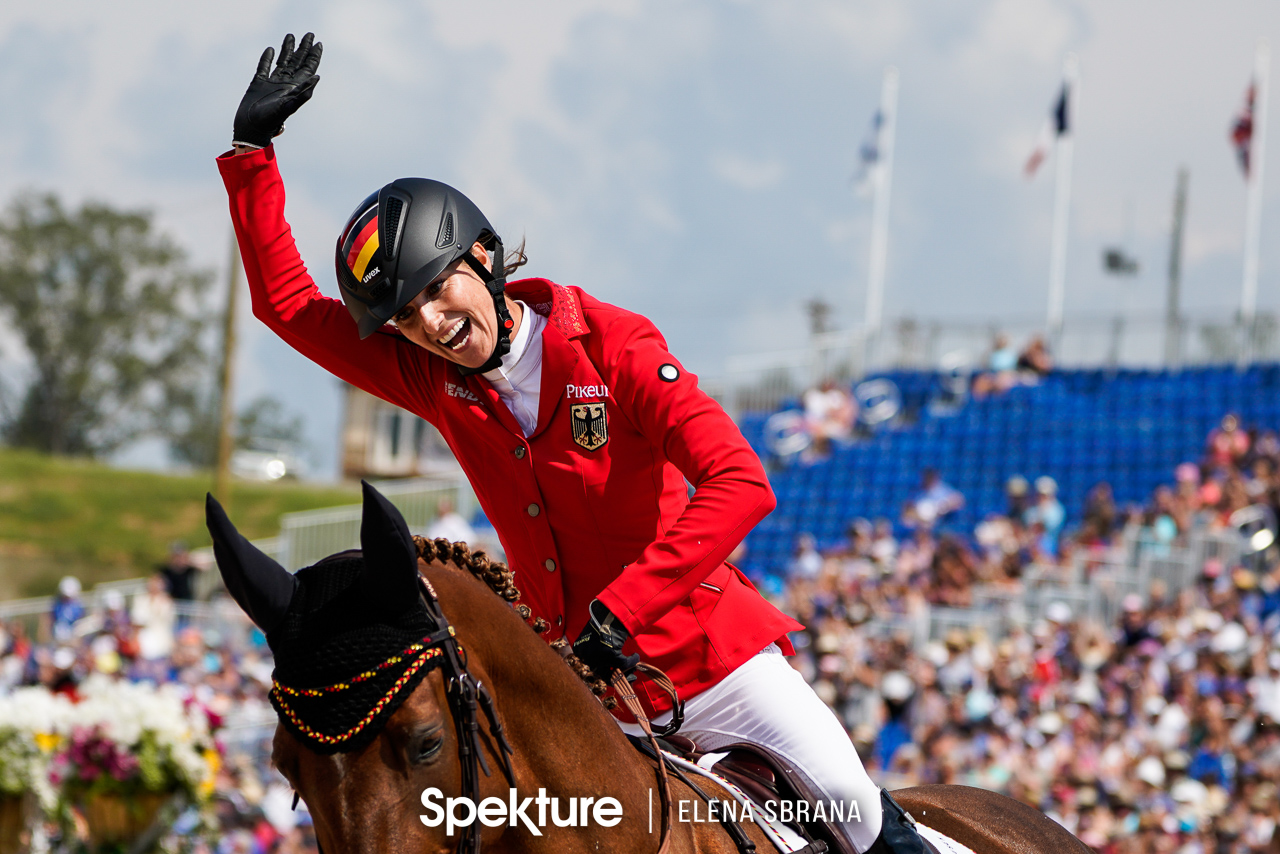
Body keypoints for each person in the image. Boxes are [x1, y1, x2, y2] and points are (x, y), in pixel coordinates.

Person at [217, 33, 927, 853]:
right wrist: (251, 156)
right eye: (406, 319)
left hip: (713, 667)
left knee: (851, 808)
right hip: (583, 693)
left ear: (482, 258)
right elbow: (289, 308)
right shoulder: (430, 378)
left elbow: (741, 482)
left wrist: (620, 615)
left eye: (436, 293)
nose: (432, 326)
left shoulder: (614, 348)